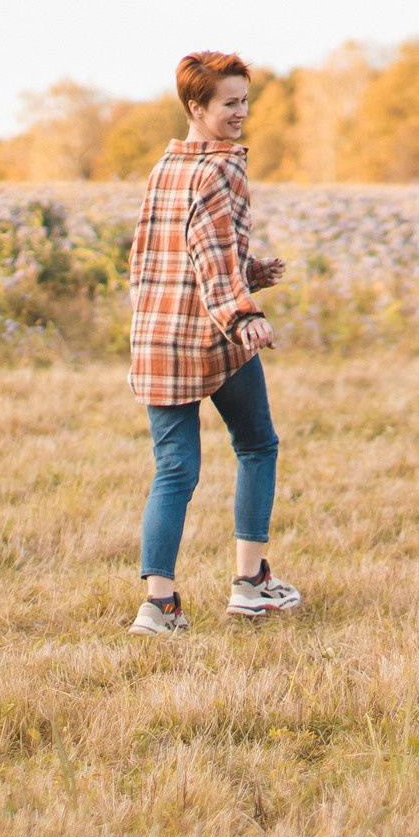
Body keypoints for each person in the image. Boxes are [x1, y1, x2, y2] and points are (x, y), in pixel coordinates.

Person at [124, 50, 303, 635]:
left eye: (244, 101)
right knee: (257, 445)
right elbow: (207, 254)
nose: (240, 113)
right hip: (211, 338)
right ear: (196, 107)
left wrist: (247, 271)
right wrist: (243, 310)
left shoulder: (164, 168)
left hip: (157, 341)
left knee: (172, 472)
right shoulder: (221, 168)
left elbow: (165, 256)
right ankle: (250, 585)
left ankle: (161, 605)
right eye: (229, 103)